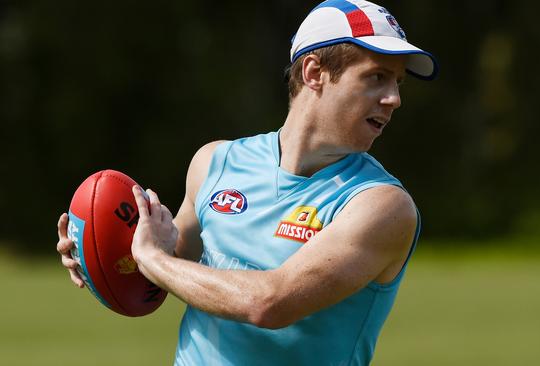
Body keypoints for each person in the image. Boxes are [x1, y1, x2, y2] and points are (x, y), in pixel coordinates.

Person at [56, 0, 438, 364]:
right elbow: (174, 268)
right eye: (377, 77)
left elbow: (270, 304)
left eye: (398, 82)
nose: (394, 98)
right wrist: (102, 254)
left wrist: (152, 259)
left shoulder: (381, 205)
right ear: (314, 73)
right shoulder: (214, 163)